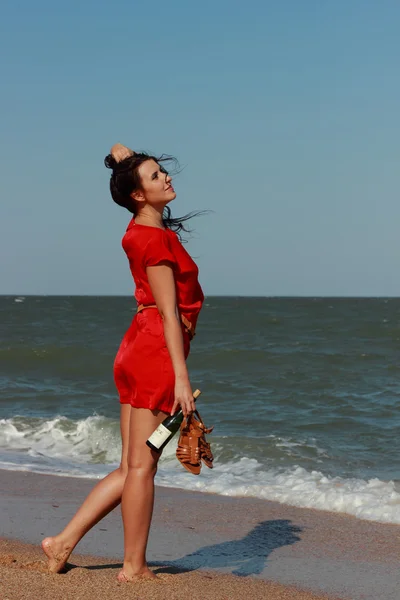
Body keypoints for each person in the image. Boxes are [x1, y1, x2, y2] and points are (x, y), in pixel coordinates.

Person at [41, 142, 204, 581]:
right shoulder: (154, 241)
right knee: (143, 467)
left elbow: (131, 181)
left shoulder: (138, 229)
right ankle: (133, 566)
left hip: (136, 348)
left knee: (131, 465)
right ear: (137, 194)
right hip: (155, 355)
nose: (166, 178)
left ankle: (62, 543)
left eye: (161, 172)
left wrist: (123, 159)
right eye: (155, 177)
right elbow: (171, 313)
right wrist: (182, 379)